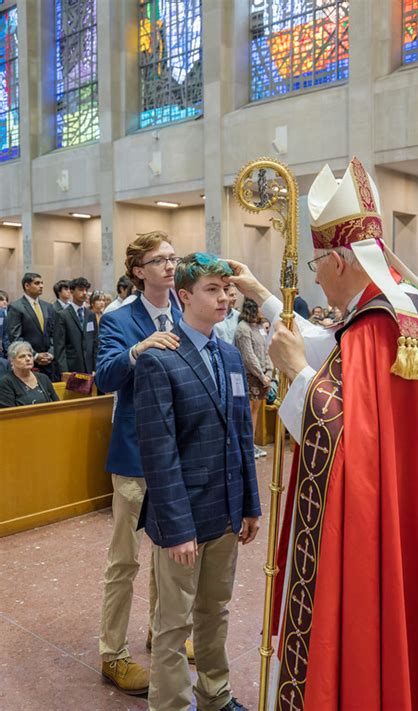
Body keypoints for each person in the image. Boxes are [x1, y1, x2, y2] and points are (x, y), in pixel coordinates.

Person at [228, 157, 418, 710]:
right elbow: (343, 363)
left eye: (317, 264)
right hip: (415, 512)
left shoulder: (379, 322)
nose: (314, 276)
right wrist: (267, 297)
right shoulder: (409, 312)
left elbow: (349, 439)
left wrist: (293, 373)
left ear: (339, 260)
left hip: (373, 522)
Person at [134, 252, 261, 711]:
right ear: (184, 296)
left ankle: (215, 694)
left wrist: (250, 504)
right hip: (183, 517)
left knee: (216, 611)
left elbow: (241, 434)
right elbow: (159, 453)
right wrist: (177, 527)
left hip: (226, 509)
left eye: (227, 289)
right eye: (213, 289)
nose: (225, 297)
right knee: (172, 622)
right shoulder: (160, 359)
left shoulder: (227, 354)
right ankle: (170, 703)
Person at [95, 231, 183, 696]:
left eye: (173, 258)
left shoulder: (186, 312)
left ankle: (159, 631)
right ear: (138, 270)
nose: (170, 266)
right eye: (160, 260)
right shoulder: (120, 319)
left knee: (170, 556)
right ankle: (113, 653)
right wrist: (140, 348)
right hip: (134, 456)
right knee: (124, 561)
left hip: (176, 457)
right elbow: (105, 375)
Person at [234, 297, 273, 459]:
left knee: (255, 410)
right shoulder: (243, 328)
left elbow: (266, 350)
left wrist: (269, 372)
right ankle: (246, 444)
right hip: (250, 375)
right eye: (260, 307)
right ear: (252, 308)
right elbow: (248, 356)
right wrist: (261, 375)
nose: (263, 310)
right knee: (247, 411)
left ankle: (251, 443)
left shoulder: (258, 327)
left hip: (262, 375)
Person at [6, 273, 56, 379]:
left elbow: (53, 333)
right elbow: (15, 337)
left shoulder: (48, 306)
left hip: (49, 362)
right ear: (27, 286)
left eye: (42, 283)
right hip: (28, 363)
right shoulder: (16, 307)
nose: (41, 286)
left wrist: (50, 353)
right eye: (37, 283)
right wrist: (35, 355)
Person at [54, 277, 98, 375]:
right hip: (71, 367)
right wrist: (64, 371)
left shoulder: (90, 315)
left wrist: (96, 366)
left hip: (89, 367)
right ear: (72, 291)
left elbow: (95, 342)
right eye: (81, 290)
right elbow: (59, 346)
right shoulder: (63, 315)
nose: (85, 293)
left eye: (86, 290)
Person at [0, 341, 58, 408]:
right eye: (22, 356)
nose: (28, 359)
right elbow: (9, 414)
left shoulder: (43, 378)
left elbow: (57, 404)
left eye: (30, 355)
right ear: (12, 361)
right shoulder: (5, 382)